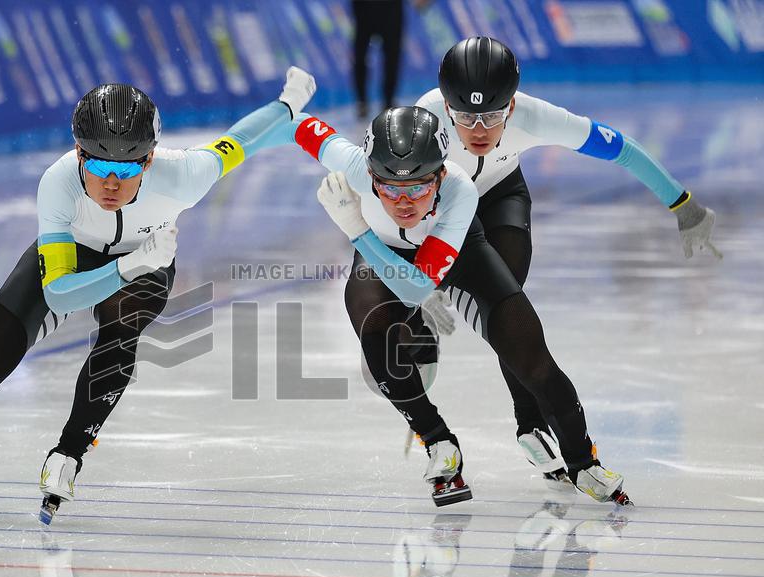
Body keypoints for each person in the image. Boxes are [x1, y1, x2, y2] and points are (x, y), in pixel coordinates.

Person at [0, 67, 319, 524]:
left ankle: (68, 454)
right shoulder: (59, 184)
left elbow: (243, 140)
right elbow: (61, 295)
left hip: (148, 263)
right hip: (85, 259)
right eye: (99, 166)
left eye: (127, 171)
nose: (111, 183)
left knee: (121, 332)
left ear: (149, 160)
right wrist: (130, 262)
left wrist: (289, 104)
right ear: (79, 154)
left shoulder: (186, 174)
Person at [270, 104, 631, 505]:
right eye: (388, 188)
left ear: (440, 175)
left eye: (419, 188)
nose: (402, 202)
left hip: (456, 257)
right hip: (381, 257)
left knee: (530, 355)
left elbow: (415, 289)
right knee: (375, 336)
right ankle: (439, 441)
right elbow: (294, 125)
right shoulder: (352, 163)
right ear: (369, 175)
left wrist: (356, 229)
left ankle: (583, 462)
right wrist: (278, 109)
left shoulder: (459, 191)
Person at [414, 36, 721, 480]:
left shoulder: (538, 116)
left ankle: (530, 424)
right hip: (440, 208)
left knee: (506, 304)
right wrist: (423, 283)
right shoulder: (422, 119)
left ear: (513, 107)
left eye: (493, 115)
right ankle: (530, 421)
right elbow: (385, 194)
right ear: (445, 105)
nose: (479, 129)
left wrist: (683, 205)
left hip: (501, 198)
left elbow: (624, 150)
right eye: (465, 117)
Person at [351, 0, 431, 120]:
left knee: (392, 54)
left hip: (391, 7)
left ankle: (388, 100)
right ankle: (362, 101)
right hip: (364, 7)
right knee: (360, 53)